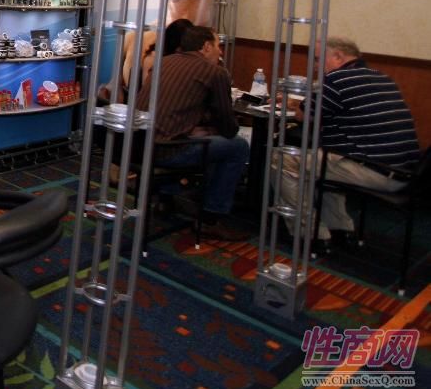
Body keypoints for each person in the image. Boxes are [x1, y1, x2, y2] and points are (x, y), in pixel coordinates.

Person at [276, 37, 421, 243]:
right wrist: (296, 103)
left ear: (338, 56)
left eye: (317, 59)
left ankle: (309, 233)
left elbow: (304, 115)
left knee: (282, 159)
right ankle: (339, 226)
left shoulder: (336, 80)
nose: (315, 66)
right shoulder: (381, 77)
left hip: (376, 170)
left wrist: (296, 105)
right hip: (405, 172)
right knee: (327, 156)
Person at [135, 24, 249, 240]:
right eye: (218, 45)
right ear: (206, 47)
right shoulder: (215, 72)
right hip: (166, 150)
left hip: (136, 144)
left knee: (212, 141)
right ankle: (210, 218)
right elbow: (228, 127)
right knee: (237, 146)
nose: (221, 51)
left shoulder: (164, 61)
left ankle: (170, 194)